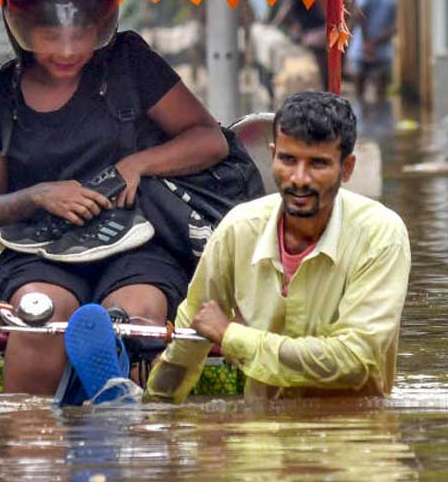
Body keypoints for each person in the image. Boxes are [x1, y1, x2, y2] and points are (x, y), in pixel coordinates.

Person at [0, 0, 228, 395]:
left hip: (140, 240)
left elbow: (209, 139)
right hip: (37, 252)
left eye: (81, 34)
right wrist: (38, 195)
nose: (67, 51)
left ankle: (122, 409)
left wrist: (138, 163)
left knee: (137, 317)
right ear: (18, 26)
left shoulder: (130, 64)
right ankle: (34, 437)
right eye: (50, 37)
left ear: (103, 23)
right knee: (42, 316)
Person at [145, 91, 411, 403]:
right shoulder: (239, 229)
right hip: (259, 428)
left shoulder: (379, 234)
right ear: (272, 156)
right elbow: (188, 341)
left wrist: (231, 336)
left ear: (347, 168)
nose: (299, 179)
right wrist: (155, 410)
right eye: (288, 160)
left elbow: (354, 361)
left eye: (318, 164)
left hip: (351, 429)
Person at [347, 0, 397, 106]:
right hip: (382, 51)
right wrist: (374, 43)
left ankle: (360, 120)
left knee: (359, 96)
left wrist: (366, 42)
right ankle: (379, 121)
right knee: (381, 97)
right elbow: (396, 26)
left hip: (361, 49)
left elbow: (359, 15)